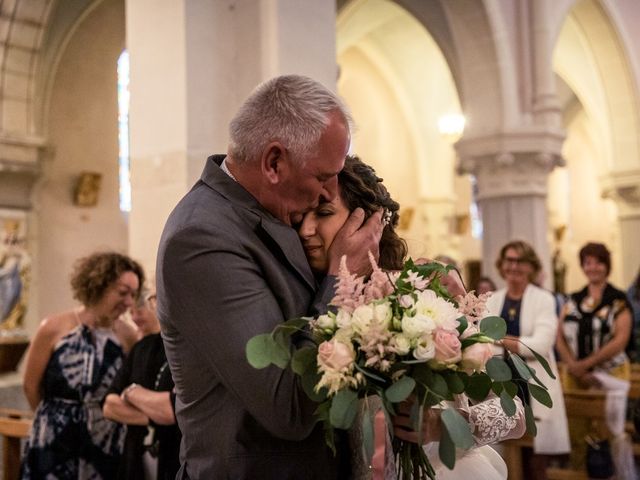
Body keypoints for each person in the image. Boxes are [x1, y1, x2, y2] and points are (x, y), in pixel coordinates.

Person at [156, 74, 383, 479]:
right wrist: (339, 277)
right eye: (323, 176)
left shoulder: (269, 215)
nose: (332, 192)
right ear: (274, 163)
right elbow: (289, 407)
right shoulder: (202, 237)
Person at [298, 155, 527, 479]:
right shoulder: (311, 306)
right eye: (300, 218)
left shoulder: (424, 292)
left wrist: (443, 425)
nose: (306, 230)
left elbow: (513, 414)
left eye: (322, 214)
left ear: (369, 222)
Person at [20, 251, 144, 479]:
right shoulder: (53, 327)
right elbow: (30, 385)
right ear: (98, 285)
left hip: (105, 439)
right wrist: (55, 419)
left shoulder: (128, 336)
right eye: (122, 293)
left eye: (133, 295)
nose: (128, 302)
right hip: (54, 438)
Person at [485, 240, 570, 480]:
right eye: (509, 260)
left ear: (530, 266)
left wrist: (499, 338)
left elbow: (540, 345)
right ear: (502, 266)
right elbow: (482, 339)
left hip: (532, 385)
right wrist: (511, 341)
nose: (514, 266)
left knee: (535, 464)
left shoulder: (543, 299)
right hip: (502, 385)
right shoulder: (493, 299)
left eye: (520, 261)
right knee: (504, 461)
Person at [556, 242, 636, 477]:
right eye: (588, 262)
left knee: (608, 432)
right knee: (577, 431)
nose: (593, 267)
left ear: (607, 266)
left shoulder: (618, 299)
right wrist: (572, 365)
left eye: (598, 262)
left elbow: (620, 339)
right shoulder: (573, 299)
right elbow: (559, 335)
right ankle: (580, 472)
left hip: (609, 374)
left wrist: (586, 365)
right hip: (576, 375)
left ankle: (613, 473)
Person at [103, 287, 180, 480]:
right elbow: (109, 406)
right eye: (132, 312)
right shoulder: (140, 348)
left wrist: (131, 393)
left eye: (140, 310)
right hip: (135, 458)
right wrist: (157, 415)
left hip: (174, 458)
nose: (135, 316)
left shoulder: (183, 349)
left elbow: (172, 410)